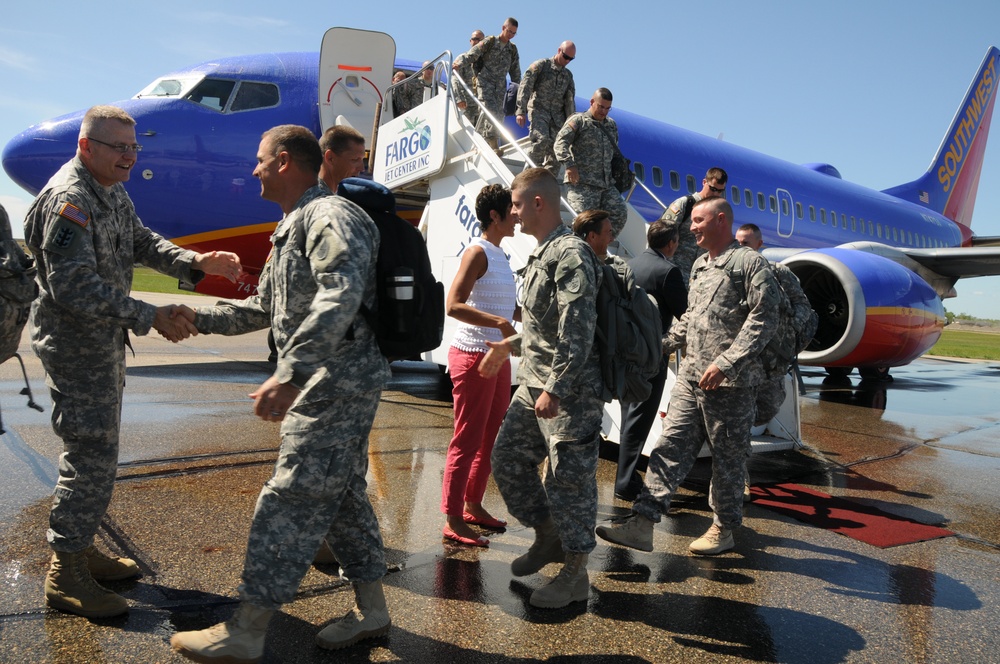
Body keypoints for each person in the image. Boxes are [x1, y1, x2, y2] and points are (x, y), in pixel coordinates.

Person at [170, 125, 392, 661]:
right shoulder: (291, 225)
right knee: (342, 498)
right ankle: (373, 608)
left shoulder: (330, 217)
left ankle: (246, 630)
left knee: (289, 497)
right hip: (324, 381)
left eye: (260, 160)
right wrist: (192, 319)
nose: (254, 170)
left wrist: (291, 373)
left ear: (285, 161)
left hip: (334, 384)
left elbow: (342, 292)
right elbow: (261, 308)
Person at [22, 105, 242, 619]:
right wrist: (151, 313)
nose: (129, 156)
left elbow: (142, 241)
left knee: (99, 451)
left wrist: (193, 262)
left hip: (100, 342)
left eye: (133, 146)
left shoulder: (111, 191)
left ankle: (79, 549)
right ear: (86, 147)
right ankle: (65, 573)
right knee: (90, 452)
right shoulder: (68, 202)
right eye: (119, 146)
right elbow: (71, 286)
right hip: (77, 346)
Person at [596, 198, 781, 556]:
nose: (691, 227)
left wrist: (728, 362)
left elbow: (765, 317)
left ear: (721, 220)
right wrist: (659, 346)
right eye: (692, 222)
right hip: (691, 376)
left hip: (731, 384)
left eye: (698, 220)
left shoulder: (748, 262)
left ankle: (722, 528)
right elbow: (691, 318)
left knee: (727, 460)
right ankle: (643, 522)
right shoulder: (698, 265)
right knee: (668, 448)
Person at [479, 168, 604, 609]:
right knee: (508, 459)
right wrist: (507, 346)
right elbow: (543, 328)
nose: (511, 213)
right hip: (534, 384)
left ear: (537, 203)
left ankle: (575, 575)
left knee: (570, 483)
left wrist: (556, 386)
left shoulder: (570, 253)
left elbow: (578, 331)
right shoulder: (542, 254)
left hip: (568, 392)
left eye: (515, 204)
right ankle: (548, 533)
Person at [441, 184, 519, 547]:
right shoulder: (477, 252)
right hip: (473, 355)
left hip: (498, 356)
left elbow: (508, 307)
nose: (518, 215)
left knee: (490, 437)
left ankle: (472, 505)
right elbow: (453, 305)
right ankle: (453, 518)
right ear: (494, 215)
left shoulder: (502, 255)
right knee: (467, 438)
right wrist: (500, 323)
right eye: (512, 209)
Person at [613, 220, 687, 501]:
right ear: (671, 244)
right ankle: (626, 482)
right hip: (651, 353)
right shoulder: (669, 271)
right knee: (640, 419)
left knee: (628, 415)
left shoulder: (629, 265)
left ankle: (626, 476)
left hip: (626, 350)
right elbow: (685, 312)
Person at [554, 88, 628, 239]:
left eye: (608, 108)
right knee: (584, 224)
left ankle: (601, 247)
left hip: (606, 185)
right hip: (582, 184)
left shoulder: (611, 125)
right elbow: (560, 143)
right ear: (592, 102)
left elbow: (613, 152)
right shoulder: (579, 121)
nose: (604, 112)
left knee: (620, 212)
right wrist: (569, 165)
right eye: (601, 107)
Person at [515, 41, 577, 176]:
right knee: (541, 140)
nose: (567, 61)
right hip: (539, 111)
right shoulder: (541, 66)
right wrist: (521, 110)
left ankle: (547, 183)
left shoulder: (568, 76)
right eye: (566, 57)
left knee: (557, 149)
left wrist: (571, 124)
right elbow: (525, 86)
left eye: (571, 59)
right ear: (559, 50)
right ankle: (527, 176)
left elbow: (569, 101)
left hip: (557, 117)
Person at [459, 17, 521, 150]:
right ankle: (492, 141)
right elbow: (473, 54)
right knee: (488, 110)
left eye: (514, 33)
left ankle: (485, 140)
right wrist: (459, 63)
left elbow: (515, 71)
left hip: (499, 86)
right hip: (485, 81)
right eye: (509, 31)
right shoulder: (490, 41)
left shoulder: (512, 49)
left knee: (499, 115)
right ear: (503, 28)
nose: (510, 35)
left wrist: (518, 89)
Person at [660, 167, 728, 285]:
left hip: (699, 279)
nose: (715, 194)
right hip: (674, 273)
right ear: (704, 182)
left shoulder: (718, 213)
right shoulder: (685, 204)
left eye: (719, 191)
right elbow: (662, 234)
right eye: (712, 189)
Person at [319, 125, 366, 192]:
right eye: (355, 159)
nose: (362, 168)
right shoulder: (314, 198)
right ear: (330, 158)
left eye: (362, 159)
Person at [453, 29, 485, 125]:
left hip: (482, 105)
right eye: (474, 39)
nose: (477, 42)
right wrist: (459, 98)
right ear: (470, 41)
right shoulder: (462, 59)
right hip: (467, 105)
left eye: (480, 40)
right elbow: (454, 79)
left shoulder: (487, 62)